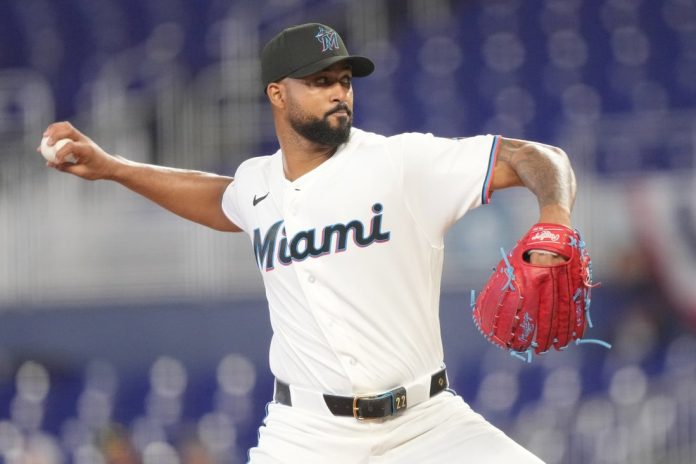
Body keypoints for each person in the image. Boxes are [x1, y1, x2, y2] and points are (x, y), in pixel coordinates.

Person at [41, 22, 576, 463]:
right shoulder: (257, 184)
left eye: (344, 79)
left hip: (427, 423)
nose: (339, 92)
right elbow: (219, 199)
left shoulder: (400, 163)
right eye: (320, 81)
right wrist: (113, 168)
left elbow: (537, 157)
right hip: (307, 434)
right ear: (277, 93)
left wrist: (554, 218)